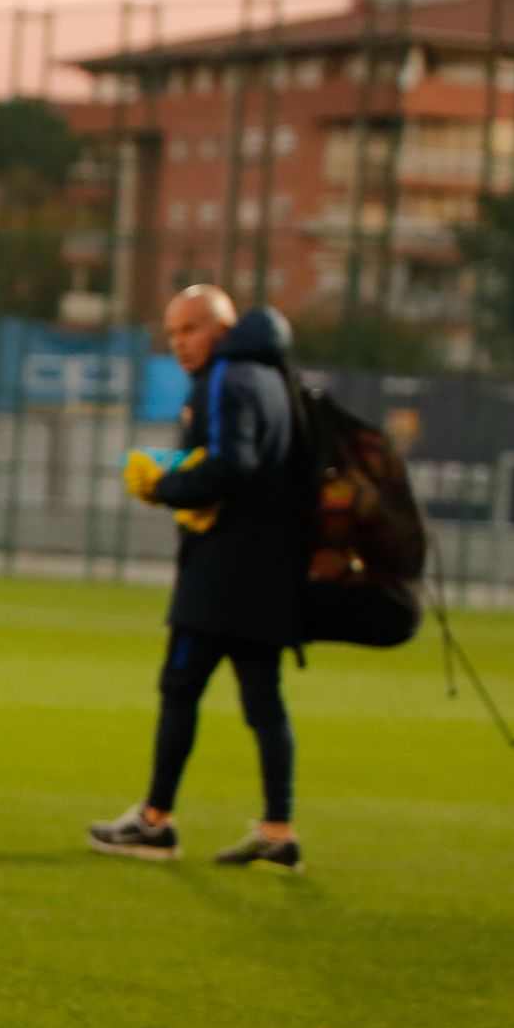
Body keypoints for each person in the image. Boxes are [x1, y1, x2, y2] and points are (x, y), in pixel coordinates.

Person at [89, 289, 309, 871]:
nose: (180, 343)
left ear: (221, 328)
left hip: (219, 577)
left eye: (189, 329)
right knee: (265, 704)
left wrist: (163, 486)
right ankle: (278, 829)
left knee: (179, 689)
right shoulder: (272, 378)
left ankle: (156, 823)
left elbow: (232, 466)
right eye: (172, 334)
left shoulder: (226, 378)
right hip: (269, 573)